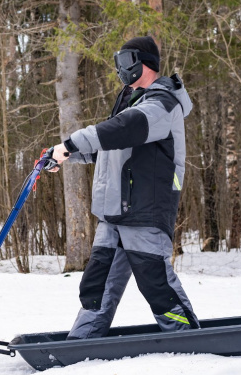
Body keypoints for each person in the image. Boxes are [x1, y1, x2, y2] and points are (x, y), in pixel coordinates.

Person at [49, 36, 199, 339]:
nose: (120, 68)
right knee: (96, 285)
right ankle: (81, 344)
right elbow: (109, 147)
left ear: (143, 63)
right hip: (114, 212)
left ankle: (189, 342)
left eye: (126, 60)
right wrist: (67, 155)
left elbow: (125, 129)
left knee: (156, 282)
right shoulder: (132, 100)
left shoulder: (161, 103)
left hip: (143, 209)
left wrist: (69, 143)